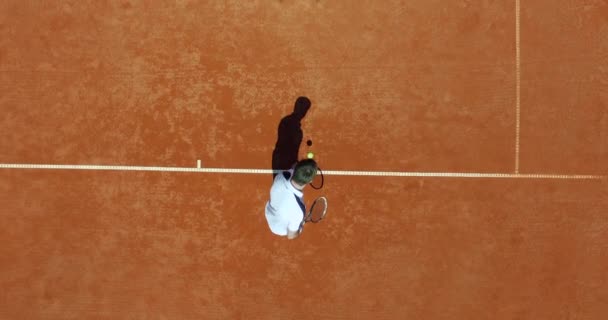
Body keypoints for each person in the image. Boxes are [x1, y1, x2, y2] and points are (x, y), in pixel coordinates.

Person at [265, 159, 318, 239]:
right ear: (310, 181)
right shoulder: (298, 212)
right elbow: (291, 236)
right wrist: (299, 230)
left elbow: (293, 167)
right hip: (278, 229)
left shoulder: (281, 176)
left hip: (269, 213)